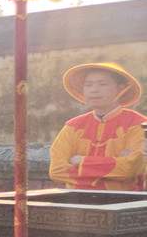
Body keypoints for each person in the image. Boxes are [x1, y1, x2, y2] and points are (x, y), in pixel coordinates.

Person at [49, 62, 145, 190]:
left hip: (124, 202)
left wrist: (80, 161)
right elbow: (56, 171)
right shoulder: (73, 126)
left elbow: (130, 169)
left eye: (102, 84)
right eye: (88, 85)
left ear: (120, 89)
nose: (94, 90)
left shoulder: (139, 124)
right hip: (77, 201)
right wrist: (114, 166)